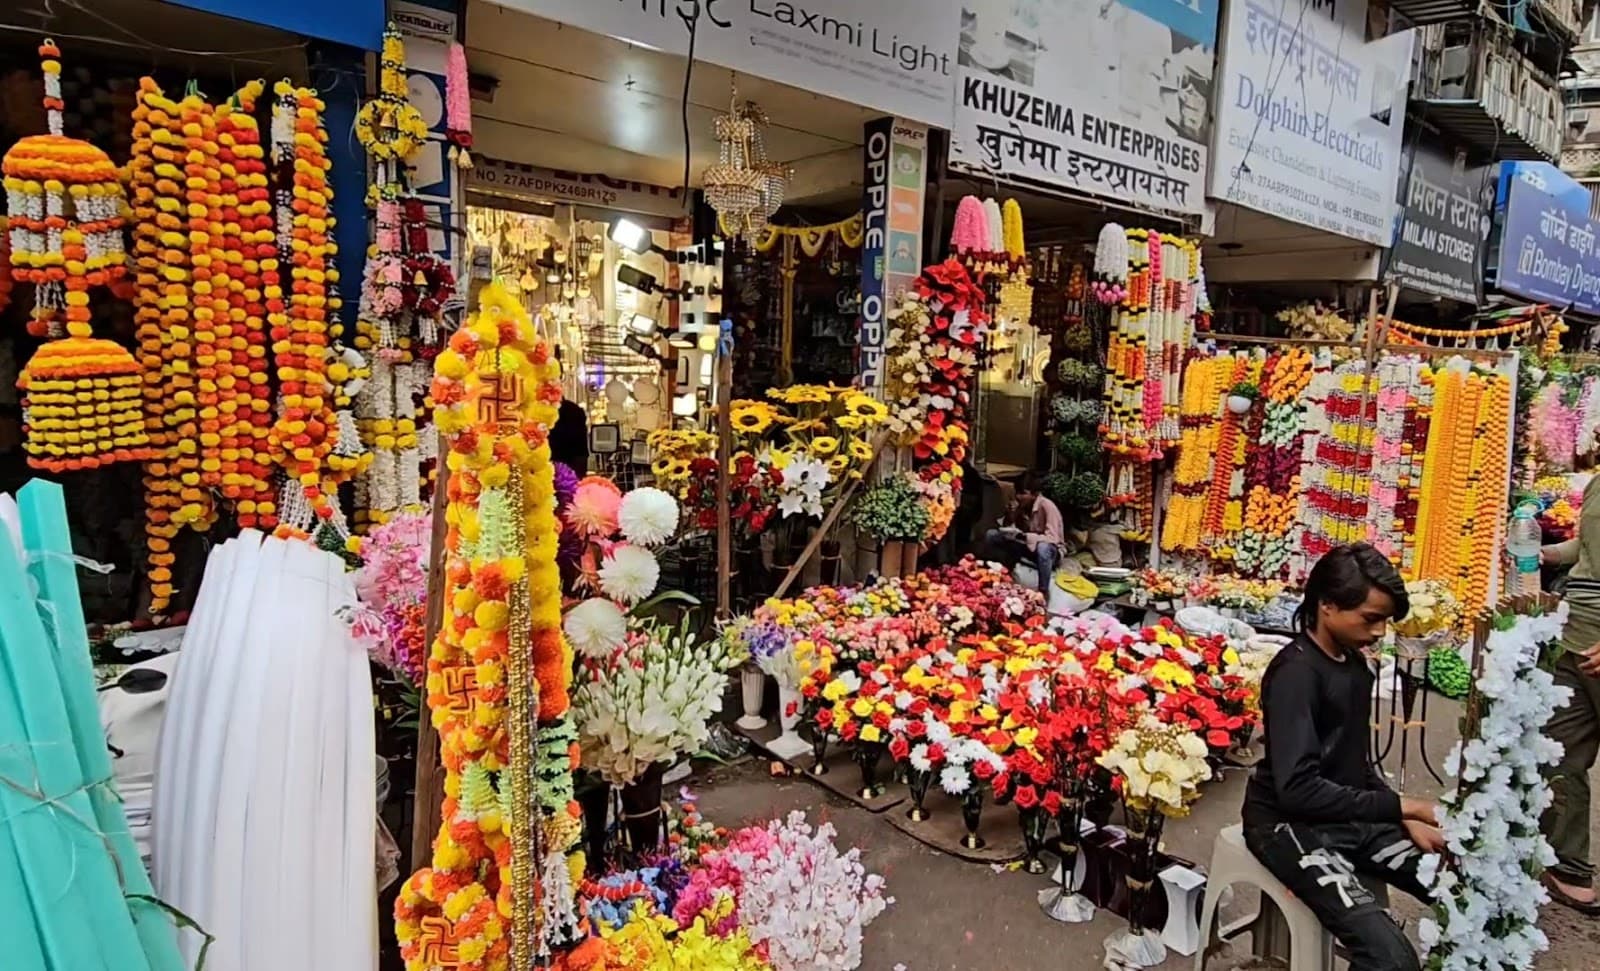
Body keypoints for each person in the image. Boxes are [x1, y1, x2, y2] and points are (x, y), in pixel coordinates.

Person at [1243, 544, 1443, 971]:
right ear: (1327, 605)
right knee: (1393, 960)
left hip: (1347, 815)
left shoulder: (1354, 666)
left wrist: (1404, 819)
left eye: (1385, 620)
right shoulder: (1295, 675)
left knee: (1462, 887)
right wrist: (1405, 807)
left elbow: (1354, 761)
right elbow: (1297, 790)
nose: (1380, 632)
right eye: (1370, 618)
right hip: (1286, 825)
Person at [1540, 472, 1600, 914]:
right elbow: (1590, 548)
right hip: (1576, 633)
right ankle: (1567, 863)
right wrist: (1548, 552)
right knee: (1562, 752)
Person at [983, 472, 1063, 594]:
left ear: (1035, 494)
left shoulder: (1047, 506)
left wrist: (1025, 536)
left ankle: (1043, 591)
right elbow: (1010, 528)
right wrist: (1011, 514)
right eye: (1017, 493)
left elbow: (1053, 539)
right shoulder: (1022, 506)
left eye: (1023, 493)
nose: (1018, 497)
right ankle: (995, 576)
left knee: (1043, 547)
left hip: (1049, 552)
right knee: (991, 535)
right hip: (1027, 547)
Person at [548, 349, 589, 474]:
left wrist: (571, 480)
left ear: (560, 378)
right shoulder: (531, 411)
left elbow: (580, 454)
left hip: (565, 477)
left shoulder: (574, 413)